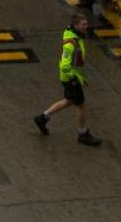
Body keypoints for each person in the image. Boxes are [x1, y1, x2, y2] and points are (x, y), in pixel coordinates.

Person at [34, 11, 101, 146]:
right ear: (75, 25)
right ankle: (82, 134)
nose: (86, 26)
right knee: (80, 105)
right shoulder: (71, 43)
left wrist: (80, 77)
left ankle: (43, 117)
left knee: (69, 101)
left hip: (72, 77)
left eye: (86, 24)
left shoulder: (75, 35)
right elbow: (65, 65)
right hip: (70, 78)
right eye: (83, 24)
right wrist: (75, 78)